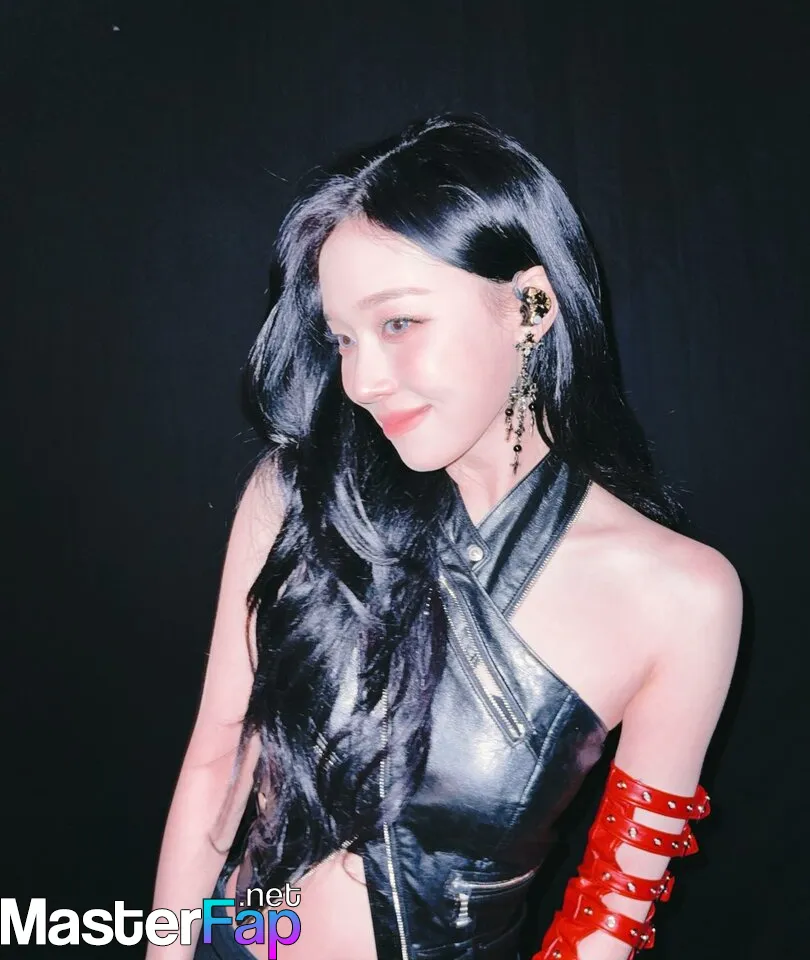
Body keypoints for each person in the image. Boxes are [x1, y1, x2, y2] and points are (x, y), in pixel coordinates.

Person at [147, 115, 742, 960]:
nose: (361, 379)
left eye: (397, 324)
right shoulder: (298, 497)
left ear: (531, 305)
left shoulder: (684, 597)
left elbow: (614, 910)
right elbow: (218, 757)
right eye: (342, 338)